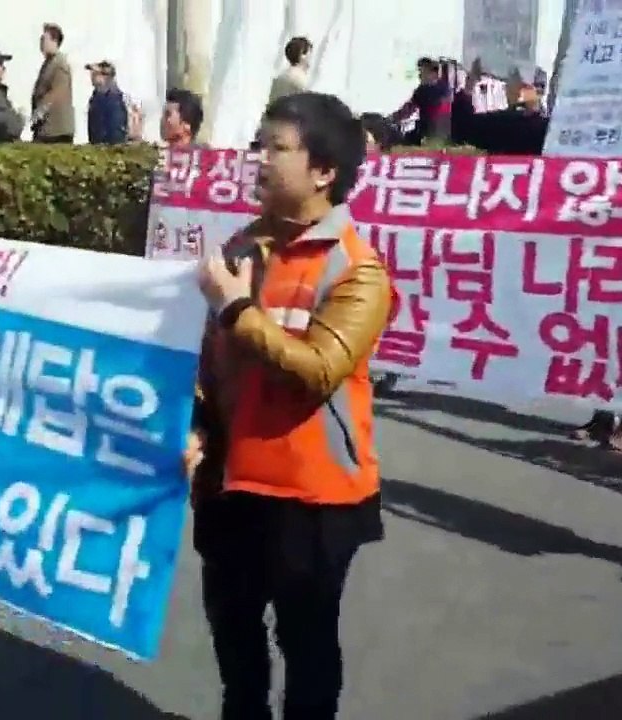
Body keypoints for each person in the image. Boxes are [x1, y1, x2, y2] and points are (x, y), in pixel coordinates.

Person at [187, 91, 392, 720]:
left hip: (313, 501)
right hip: (231, 487)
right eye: (258, 143)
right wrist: (196, 426)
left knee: (306, 656)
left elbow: (318, 370)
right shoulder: (244, 247)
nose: (259, 159)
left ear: (324, 172)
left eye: (277, 147)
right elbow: (210, 360)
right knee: (236, 653)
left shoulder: (357, 272)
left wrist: (237, 309)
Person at [31, 23, 75, 144]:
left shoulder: (60, 64)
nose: (41, 44)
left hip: (56, 130)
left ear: (54, 41)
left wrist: (39, 113)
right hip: (46, 127)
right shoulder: (48, 63)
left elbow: (57, 91)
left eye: (44, 40)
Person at [392, 57, 451, 145]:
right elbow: (408, 109)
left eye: (424, 72)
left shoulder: (433, 91)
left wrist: (393, 119)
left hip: (432, 135)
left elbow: (409, 109)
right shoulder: (441, 89)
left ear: (434, 74)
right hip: (431, 132)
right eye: (420, 71)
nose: (420, 75)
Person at [86, 60, 128, 144]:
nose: (92, 77)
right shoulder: (96, 96)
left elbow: (115, 129)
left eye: (95, 74)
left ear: (105, 76)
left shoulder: (113, 99)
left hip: (109, 148)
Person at [269, 36, 312, 103]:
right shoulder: (300, 80)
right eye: (309, 54)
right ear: (302, 55)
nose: (310, 59)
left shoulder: (279, 77)